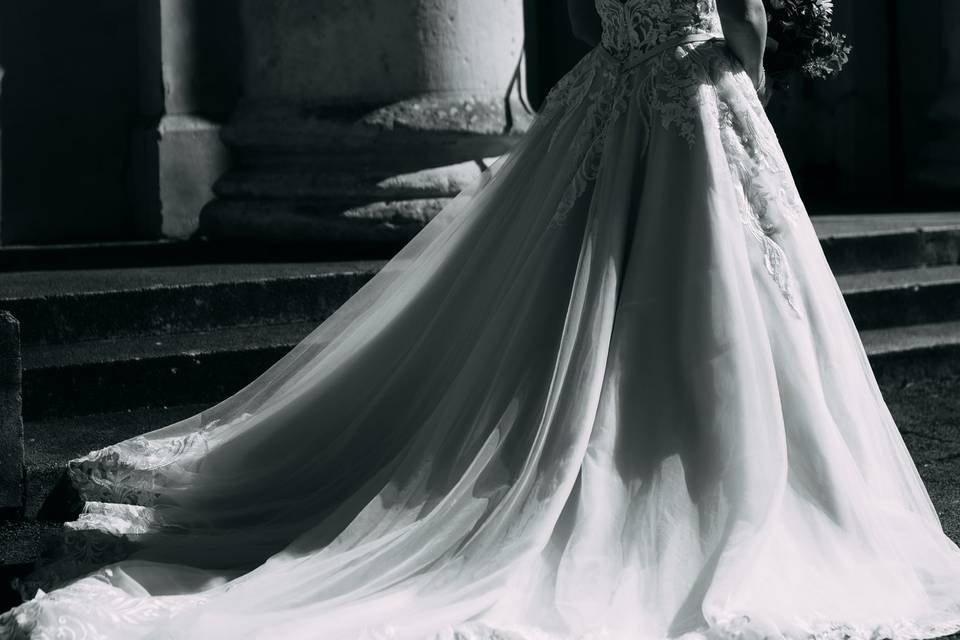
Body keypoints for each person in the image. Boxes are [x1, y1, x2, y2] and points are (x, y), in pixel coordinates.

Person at [4, 0, 960, 638]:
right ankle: (708, 459)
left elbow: (591, 12)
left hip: (607, 94)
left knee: (571, 289)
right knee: (715, 290)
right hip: (695, 101)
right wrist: (756, 63)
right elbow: (745, 16)